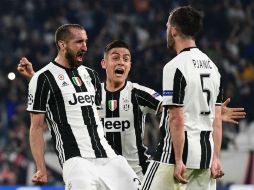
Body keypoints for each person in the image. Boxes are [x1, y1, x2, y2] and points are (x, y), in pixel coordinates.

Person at [18, 39, 245, 182]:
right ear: (104, 64)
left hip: (135, 174)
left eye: (126, 59)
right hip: (97, 168)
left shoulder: (139, 93)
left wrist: (208, 111)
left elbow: (173, 109)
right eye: (115, 57)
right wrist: (35, 76)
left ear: (130, 66)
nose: (121, 62)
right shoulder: (90, 93)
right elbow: (60, 93)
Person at [22, 24, 140, 190]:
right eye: (79, 42)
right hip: (76, 160)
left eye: (85, 41)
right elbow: (36, 127)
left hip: (108, 156)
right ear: (62, 45)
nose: (85, 47)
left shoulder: (90, 75)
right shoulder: (43, 78)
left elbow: (96, 116)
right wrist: (41, 168)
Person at [141, 6, 226, 190]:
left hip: (174, 157)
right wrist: (216, 158)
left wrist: (178, 159)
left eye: (167, 26)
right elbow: (217, 119)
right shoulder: (213, 68)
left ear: (174, 30)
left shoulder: (175, 66)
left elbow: (177, 117)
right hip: (205, 157)